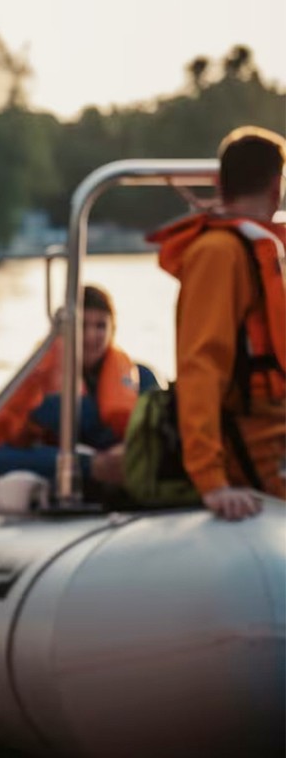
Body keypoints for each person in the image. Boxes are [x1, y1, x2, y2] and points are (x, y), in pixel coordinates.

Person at [147, 126, 286, 520]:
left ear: (220, 186)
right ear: (277, 188)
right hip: (254, 443)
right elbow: (201, 365)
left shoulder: (261, 250)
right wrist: (212, 481)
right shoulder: (219, 254)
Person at [0, 285, 159, 507]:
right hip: (61, 481)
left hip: (128, 481)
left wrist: (128, 453)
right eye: (82, 326)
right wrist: (91, 465)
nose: (91, 336)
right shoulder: (38, 383)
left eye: (100, 326)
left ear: (113, 330)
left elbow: (162, 436)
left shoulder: (141, 378)